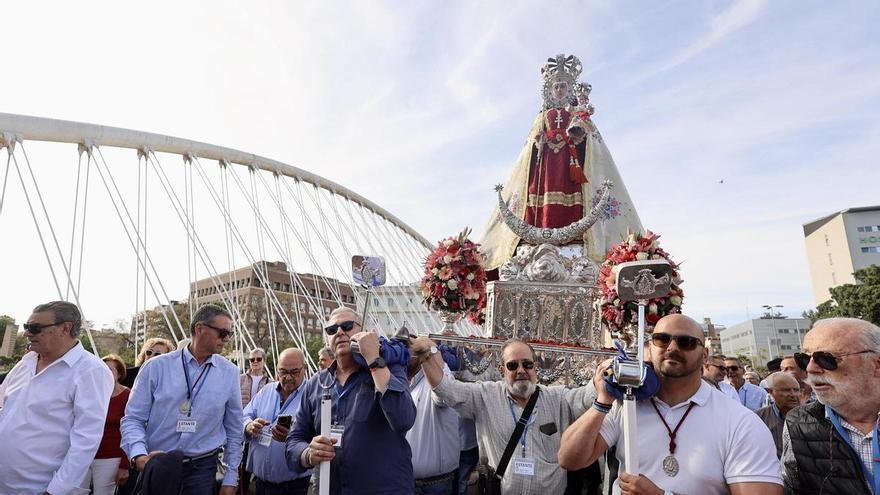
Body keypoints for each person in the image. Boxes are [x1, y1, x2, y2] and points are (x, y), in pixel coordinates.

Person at [558, 314, 782, 495]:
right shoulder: (627, 404)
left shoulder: (740, 422)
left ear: (704, 355)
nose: (672, 347)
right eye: (662, 339)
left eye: (685, 342)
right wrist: (603, 400)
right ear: (650, 348)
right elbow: (570, 459)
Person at [479, 53, 642, 269]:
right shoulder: (542, 115)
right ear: (549, 90)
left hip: (569, 161)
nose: (559, 90)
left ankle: (572, 235)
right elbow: (531, 145)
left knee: (570, 191)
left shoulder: (575, 112)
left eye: (563, 87)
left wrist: (579, 134)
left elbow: (591, 142)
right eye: (556, 87)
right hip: (546, 164)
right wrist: (539, 140)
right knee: (543, 192)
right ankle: (540, 230)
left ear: (569, 90)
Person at [413, 336, 599, 494]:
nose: (521, 371)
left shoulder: (558, 398)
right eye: (512, 365)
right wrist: (426, 357)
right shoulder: (486, 396)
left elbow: (587, 397)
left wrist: (603, 373)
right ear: (503, 370)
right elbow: (448, 391)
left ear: (535, 367)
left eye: (527, 364)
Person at [286, 307, 416, 494]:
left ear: (364, 332)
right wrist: (308, 454)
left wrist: (373, 358)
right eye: (332, 330)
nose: (339, 332)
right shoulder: (316, 383)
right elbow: (294, 440)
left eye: (347, 326)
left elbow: (403, 418)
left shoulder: (389, 368)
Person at [121, 304, 244, 495]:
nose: (227, 339)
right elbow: (133, 418)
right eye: (222, 332)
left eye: (229, 333)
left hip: (202, 468)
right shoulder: (156, 367)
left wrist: (230, 477)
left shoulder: (230, 373)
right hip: (158, 465)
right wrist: (138, 454)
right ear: (199, 328)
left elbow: (235, 429)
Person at [0, 301, 115, 494]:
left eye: (35, 328)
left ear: (65, 328)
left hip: (39, 488)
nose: (28, 333)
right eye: (27, 327)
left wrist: (56, 490)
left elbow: (86, 439)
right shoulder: (26, 363)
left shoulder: (90, 371)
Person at [782, 317, 880, 495]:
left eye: (827, 358)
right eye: (805, 359)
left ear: (877, 364)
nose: (811, 369)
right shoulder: (799, 423)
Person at [243, 348, 311, 495]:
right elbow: (243, 416)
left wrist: (292, 438)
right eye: (283, 371)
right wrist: (249, 425)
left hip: (294, 486)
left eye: (294, 372)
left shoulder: (312, 395)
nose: (287, 377)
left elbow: (321, 436)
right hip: (260, 483)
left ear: (304, 369)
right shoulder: (266, 391)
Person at [406, 343, 461, 494]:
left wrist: (432, 349)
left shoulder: (434, 381)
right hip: (402, 482)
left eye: (410, 346)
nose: (406, 351)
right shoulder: (399, 381)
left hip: (434, 485)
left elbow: (445, 395)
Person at [80, 354, 132, 494]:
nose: (105, 373)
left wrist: (124, 465)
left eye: (110, 370)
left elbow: (131, 430)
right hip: (83, 455)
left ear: (119, 373)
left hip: (110, 458)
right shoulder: (89, 393)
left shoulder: (127, 396)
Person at [755, 372, 800, 458]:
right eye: (786, 390)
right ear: (771, 392)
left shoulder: (810, 416)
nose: (793, 395)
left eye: (796, 390)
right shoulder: (758, 418)